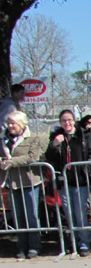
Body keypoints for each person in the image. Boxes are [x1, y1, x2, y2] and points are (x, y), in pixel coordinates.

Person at [45, 109, 91, 256]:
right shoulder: (56, 136)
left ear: (74, 120)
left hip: (80, 181)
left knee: (80, 213)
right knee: (69, 214)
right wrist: (54, 144)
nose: (67, 123)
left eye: (69, 120)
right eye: (63, 120)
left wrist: (85, 170)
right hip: (64, 181)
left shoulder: (84, 135)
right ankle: (72, 242)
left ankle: (84, 243)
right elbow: (49, 156)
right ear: (60, 122)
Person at [1, 110, 45, 259]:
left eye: (13, 123)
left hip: (30, 182)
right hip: (12, 183)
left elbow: (33, 157)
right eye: (9, 123)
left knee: (32, 216)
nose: (10, 126)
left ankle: (34, 246)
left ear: (21, 123)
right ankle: (21, 246)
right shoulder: (3, 140)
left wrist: (12, 162)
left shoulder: (33, 138)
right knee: (18, 216)